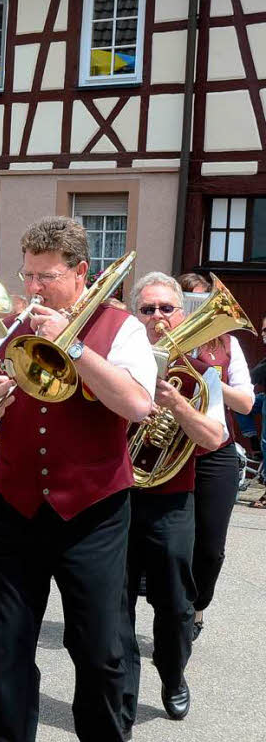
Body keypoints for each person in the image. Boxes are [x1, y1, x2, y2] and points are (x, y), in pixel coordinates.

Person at [0, 217, 156, 742]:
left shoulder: (122, 328)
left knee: (99, 649)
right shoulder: (11, 328)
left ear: (81, 272)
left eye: (46, 277)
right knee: (7, 644)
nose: (33, 288)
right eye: (28, 275)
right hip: (14, 508)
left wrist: (71, 346)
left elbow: (137, 404)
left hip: (93, 512)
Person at [122, 272, 227, 729]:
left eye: (167, 308)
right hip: (117, 497)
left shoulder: (200, 372)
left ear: (182, 314)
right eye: (148, 309)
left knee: (175, 603)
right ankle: (121, 694)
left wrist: (178, 407)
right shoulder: (118, 362)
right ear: (134, 316)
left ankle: (172, 676)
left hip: (170, 499)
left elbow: (216, 435)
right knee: (113, 603)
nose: (158, 317)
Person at [177, 272, 255, 640]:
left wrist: (206, 375)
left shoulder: (227, 343)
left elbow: (245, 402)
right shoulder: (158, 337)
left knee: (211, 546)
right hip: (166, 448)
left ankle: (197, 608)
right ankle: (171, 607)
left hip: (214, 450)